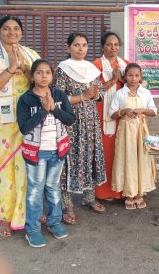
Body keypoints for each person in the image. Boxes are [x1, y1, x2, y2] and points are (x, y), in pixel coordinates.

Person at [17, 59, 75, 248]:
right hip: (36, 153)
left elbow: (70, 119)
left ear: (52, 76)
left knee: (52, 187)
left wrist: (54, 109)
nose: (44, 76)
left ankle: (54, 222)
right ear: (32, 76)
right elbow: (25, 128)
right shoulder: (26, 99)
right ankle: (32, 230)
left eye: (47, 73)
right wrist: (43, 111)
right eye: (39, 73)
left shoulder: (59, 94)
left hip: (57, 151)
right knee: (35, 190)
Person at [0, 15, 39, 237]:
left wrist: (26, 69)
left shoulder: (31, 55)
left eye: (16, 28)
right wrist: (10, 69)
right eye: (7, 29)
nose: (12, 32)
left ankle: (30, 213)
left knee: (30, 167)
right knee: (5, 170)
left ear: (21, 32)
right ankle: (5, 217)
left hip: (29, 120)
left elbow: (41, 82)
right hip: (3, 125)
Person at [55, 32, 106, 225]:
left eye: (84, 45)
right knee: (70, 161)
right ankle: (67, 204)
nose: (81, 49)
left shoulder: (91, 69)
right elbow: (58, 100)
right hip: (72, 124)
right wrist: (83, 96)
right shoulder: (62, 69)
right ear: (69, 47)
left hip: (91, 123)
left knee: (90, 157)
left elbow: (99, 94)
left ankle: (89, 198)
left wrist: (94, 94)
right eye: (76, 45)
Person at [109, 63, 157, 209]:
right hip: (125, 132)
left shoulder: (146, 93)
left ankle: (139, 194)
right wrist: (124, 111)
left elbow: (154, 111)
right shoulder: (120, 94)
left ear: (140, 77)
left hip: (141, 130)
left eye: (136, 75)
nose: (133, 78)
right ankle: (129, 194)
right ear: (124, 77)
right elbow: (112, 114)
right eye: (130, 75)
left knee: (141, 158)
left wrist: (143, 110)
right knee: (128, 159)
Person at [93, 31, 129, 201]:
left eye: (116, 44)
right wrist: (114, 81)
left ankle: (122, 190)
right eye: (109, 44)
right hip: (102, 115)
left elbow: (136, 85)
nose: (113, 47)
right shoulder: (96, 66)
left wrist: (127, 79)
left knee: (122, 151)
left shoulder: (126, 65)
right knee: (105, 152)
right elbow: (93, 93)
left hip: (123, 116)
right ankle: (104, 191)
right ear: (102, 46)